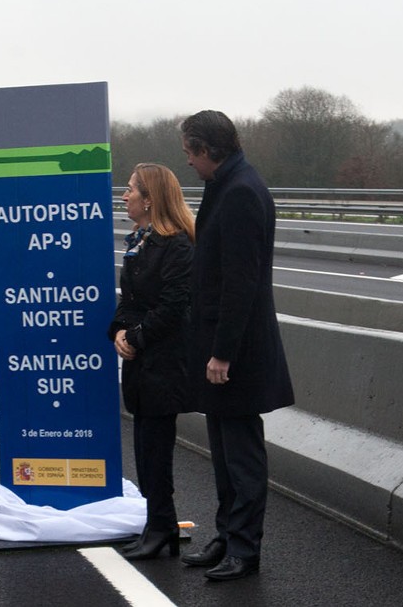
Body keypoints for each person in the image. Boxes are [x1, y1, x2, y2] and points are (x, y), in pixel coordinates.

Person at [178, 110, 294, 581]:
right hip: (223, 346)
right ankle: (227, 536)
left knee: (242, 456)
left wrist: (222, 351)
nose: (187, 161)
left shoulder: (242, 192)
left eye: (189, 152)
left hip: (238, 353)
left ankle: (245, 549)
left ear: (208, 150)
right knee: (224, 455)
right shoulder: (227, 185)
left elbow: (241, 283)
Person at [108, 163, 195, 561]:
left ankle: (163, 527)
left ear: (151, 199)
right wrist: (118, 332)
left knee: (157, 450)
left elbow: (173, 306)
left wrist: (137, 338)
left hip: (165, 363)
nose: (124, 196)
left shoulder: (177, 245)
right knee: (144, 448)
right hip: (143, 362)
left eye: (130, 191)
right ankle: (156, 524)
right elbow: (131, 301)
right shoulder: (140, 241)